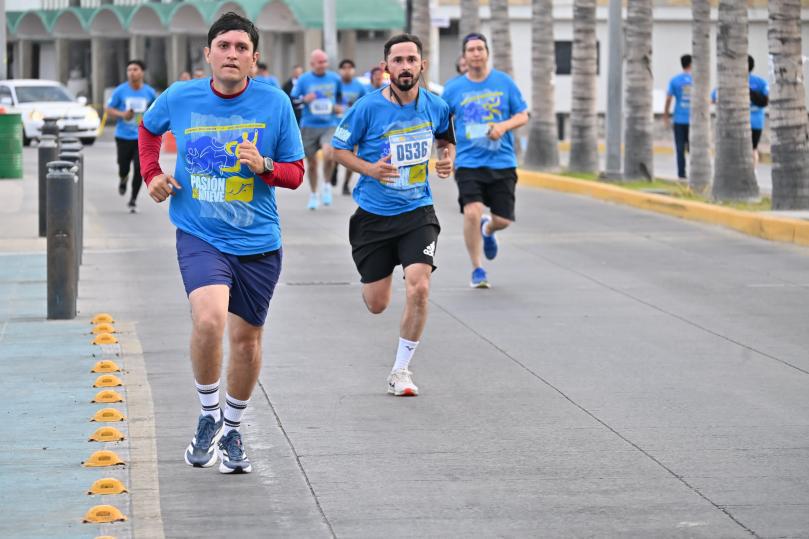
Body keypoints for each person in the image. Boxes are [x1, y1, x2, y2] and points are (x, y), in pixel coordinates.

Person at [138, 12, 305, 474]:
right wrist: (151, 174)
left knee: (247, 341)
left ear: (254, 59)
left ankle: (233, 427)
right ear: (209, 53)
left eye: (242, 48)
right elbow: (149, 129)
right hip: (200, 232)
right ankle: (208, 416)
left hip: (258, 240)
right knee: (209, 320)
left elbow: (295, 173)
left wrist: (265, 166)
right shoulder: (181, 96)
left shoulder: (275, 104)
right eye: (224, 46)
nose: (232, 54)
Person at [332, 34, 455, 396]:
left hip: (418, 211)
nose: (405, 66)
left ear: (422, 65)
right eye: (397, 60)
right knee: (377, 303)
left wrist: (447, 159)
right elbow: (338, 149)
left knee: (419, 287)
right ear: (387, 66)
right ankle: (376, 278)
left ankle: (401, 369)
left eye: (411, 59)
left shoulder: (437, 105)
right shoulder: (367, 108)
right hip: (373, 216)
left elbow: (446, 138)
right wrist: (369, 169)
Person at [441, 32, 528, 289]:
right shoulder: (454, 88)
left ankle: (489, 229)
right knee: (471, 211)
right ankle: (477, 269)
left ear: (487, 53)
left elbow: (522, 114)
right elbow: (443, 123)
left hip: (501, 161)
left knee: (504, 220)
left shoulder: (504, 82)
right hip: (468, 163)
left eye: (480, 48)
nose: (476, 53)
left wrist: (503, 126)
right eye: (471, 49)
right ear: (464, 57)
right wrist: (446, 154)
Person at [291, 50, 343, 210]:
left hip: (330, 124)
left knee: (329, 154)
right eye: (320, 62)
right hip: (309, 125)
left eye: (325, 61)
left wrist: (338, 107)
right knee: (312, 164)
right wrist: (305, 99)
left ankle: (327, 184)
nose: (323, 65)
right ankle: (314, 194)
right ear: (312, 63)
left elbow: (341, 97)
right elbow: (293, 99)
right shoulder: (304, 79)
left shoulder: (334, 78)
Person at [105, 59, 157, 213]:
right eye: (129, 70)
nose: (131, 72)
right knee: (123, 166)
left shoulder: (149, 92)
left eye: (135, 69)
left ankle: (133, 199)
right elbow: (108, 109)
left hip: (142, 137)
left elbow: (156, 110)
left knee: (140, 168)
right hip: (123, 136)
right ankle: (123, 178)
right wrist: (122, 114)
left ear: (142, 72)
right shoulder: (120, 90)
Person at [711, 55, 770, 168]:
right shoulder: (761, 82)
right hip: (757, 122)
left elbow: (713, 98)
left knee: (736, 149)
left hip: (736, 122)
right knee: (753, 149)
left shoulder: (730, 81)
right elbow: (768, 98)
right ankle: (753, 173)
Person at [332, 58, 367, 195]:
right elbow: (327, 102)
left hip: (353, 126)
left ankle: (346, 183)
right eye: (344, 67)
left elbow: (365, 104)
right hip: (335, 124)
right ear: (340, 70)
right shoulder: (335, 85)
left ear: (353, 70)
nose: (347, 70)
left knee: (352, 154)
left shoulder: (359, 86)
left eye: (350, 67)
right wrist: (334, 108)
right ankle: (334, 168)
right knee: (336, 152)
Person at [664, 54, 692, 179]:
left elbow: (669, 98)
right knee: (694, 147)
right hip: (694, 120)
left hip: (679, 119)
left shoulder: (675, 80)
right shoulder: (698, 79)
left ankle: (682, 174)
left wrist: (666, 115)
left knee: (680, 148)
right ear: (691, 64)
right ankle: (697, 171)